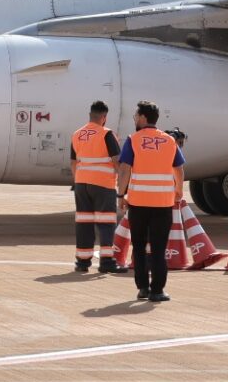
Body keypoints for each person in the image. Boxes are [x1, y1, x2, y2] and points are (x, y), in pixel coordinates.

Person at [116, 100, 184, 303]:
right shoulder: (169, 141)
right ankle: (157, 291)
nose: (135, 119)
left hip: (138, 203)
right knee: (158, 248)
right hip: (163, 203)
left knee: (138, 246)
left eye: (136, 115)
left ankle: (143, 288)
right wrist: (178, 191)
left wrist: (121, 195)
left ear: (144, 117)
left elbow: (125, 169)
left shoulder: (133, 140)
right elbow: (179, 169)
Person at [70, 100, 122, 272]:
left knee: (84, 222)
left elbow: (73, 162)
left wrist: (79, 178)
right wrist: (122, 184)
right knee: (106, 222)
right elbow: (117, 162)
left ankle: (82, 262)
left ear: (90, 115)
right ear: (104, 117)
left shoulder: (77, 134)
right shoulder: (106, 134)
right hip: (103, 184)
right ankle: (107, 262)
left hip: (81, 183)